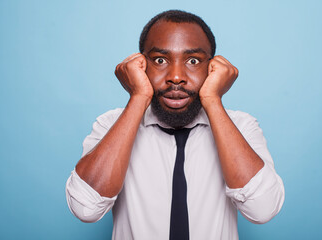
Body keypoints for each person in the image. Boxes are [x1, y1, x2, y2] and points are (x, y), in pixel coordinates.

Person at [66, 10, 285, 240]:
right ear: (141, 65)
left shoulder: (241, 126)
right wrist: (138, 97)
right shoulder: (111, 124)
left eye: (193, 61)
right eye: (160, 60)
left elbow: (263, 210)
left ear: (212, 69)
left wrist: (212, 99)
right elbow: (86, 208)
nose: (177, 77)